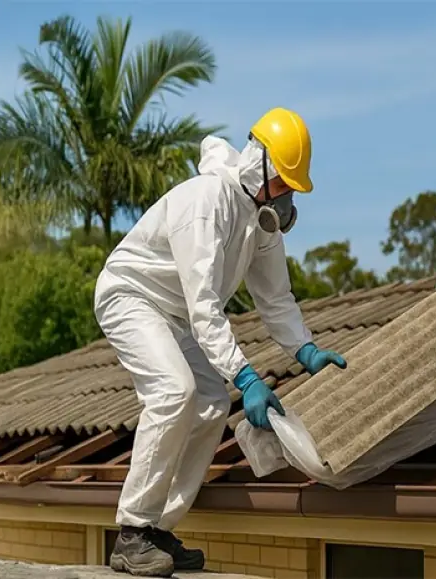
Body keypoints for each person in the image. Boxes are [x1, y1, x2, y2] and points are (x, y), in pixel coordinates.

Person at [94, 107, 347, 577]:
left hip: (173, 314)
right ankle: (131, 532)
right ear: (259, 165)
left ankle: (156, 529)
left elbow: (276, 299)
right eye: (284, 182)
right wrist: (246, 377)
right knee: (174, 392)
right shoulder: (207, 203)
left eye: (293, 187)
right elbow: (205, 307)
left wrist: (306, 350)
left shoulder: (260, 221)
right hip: (130, 295)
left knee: (211, 403)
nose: (287, 195)